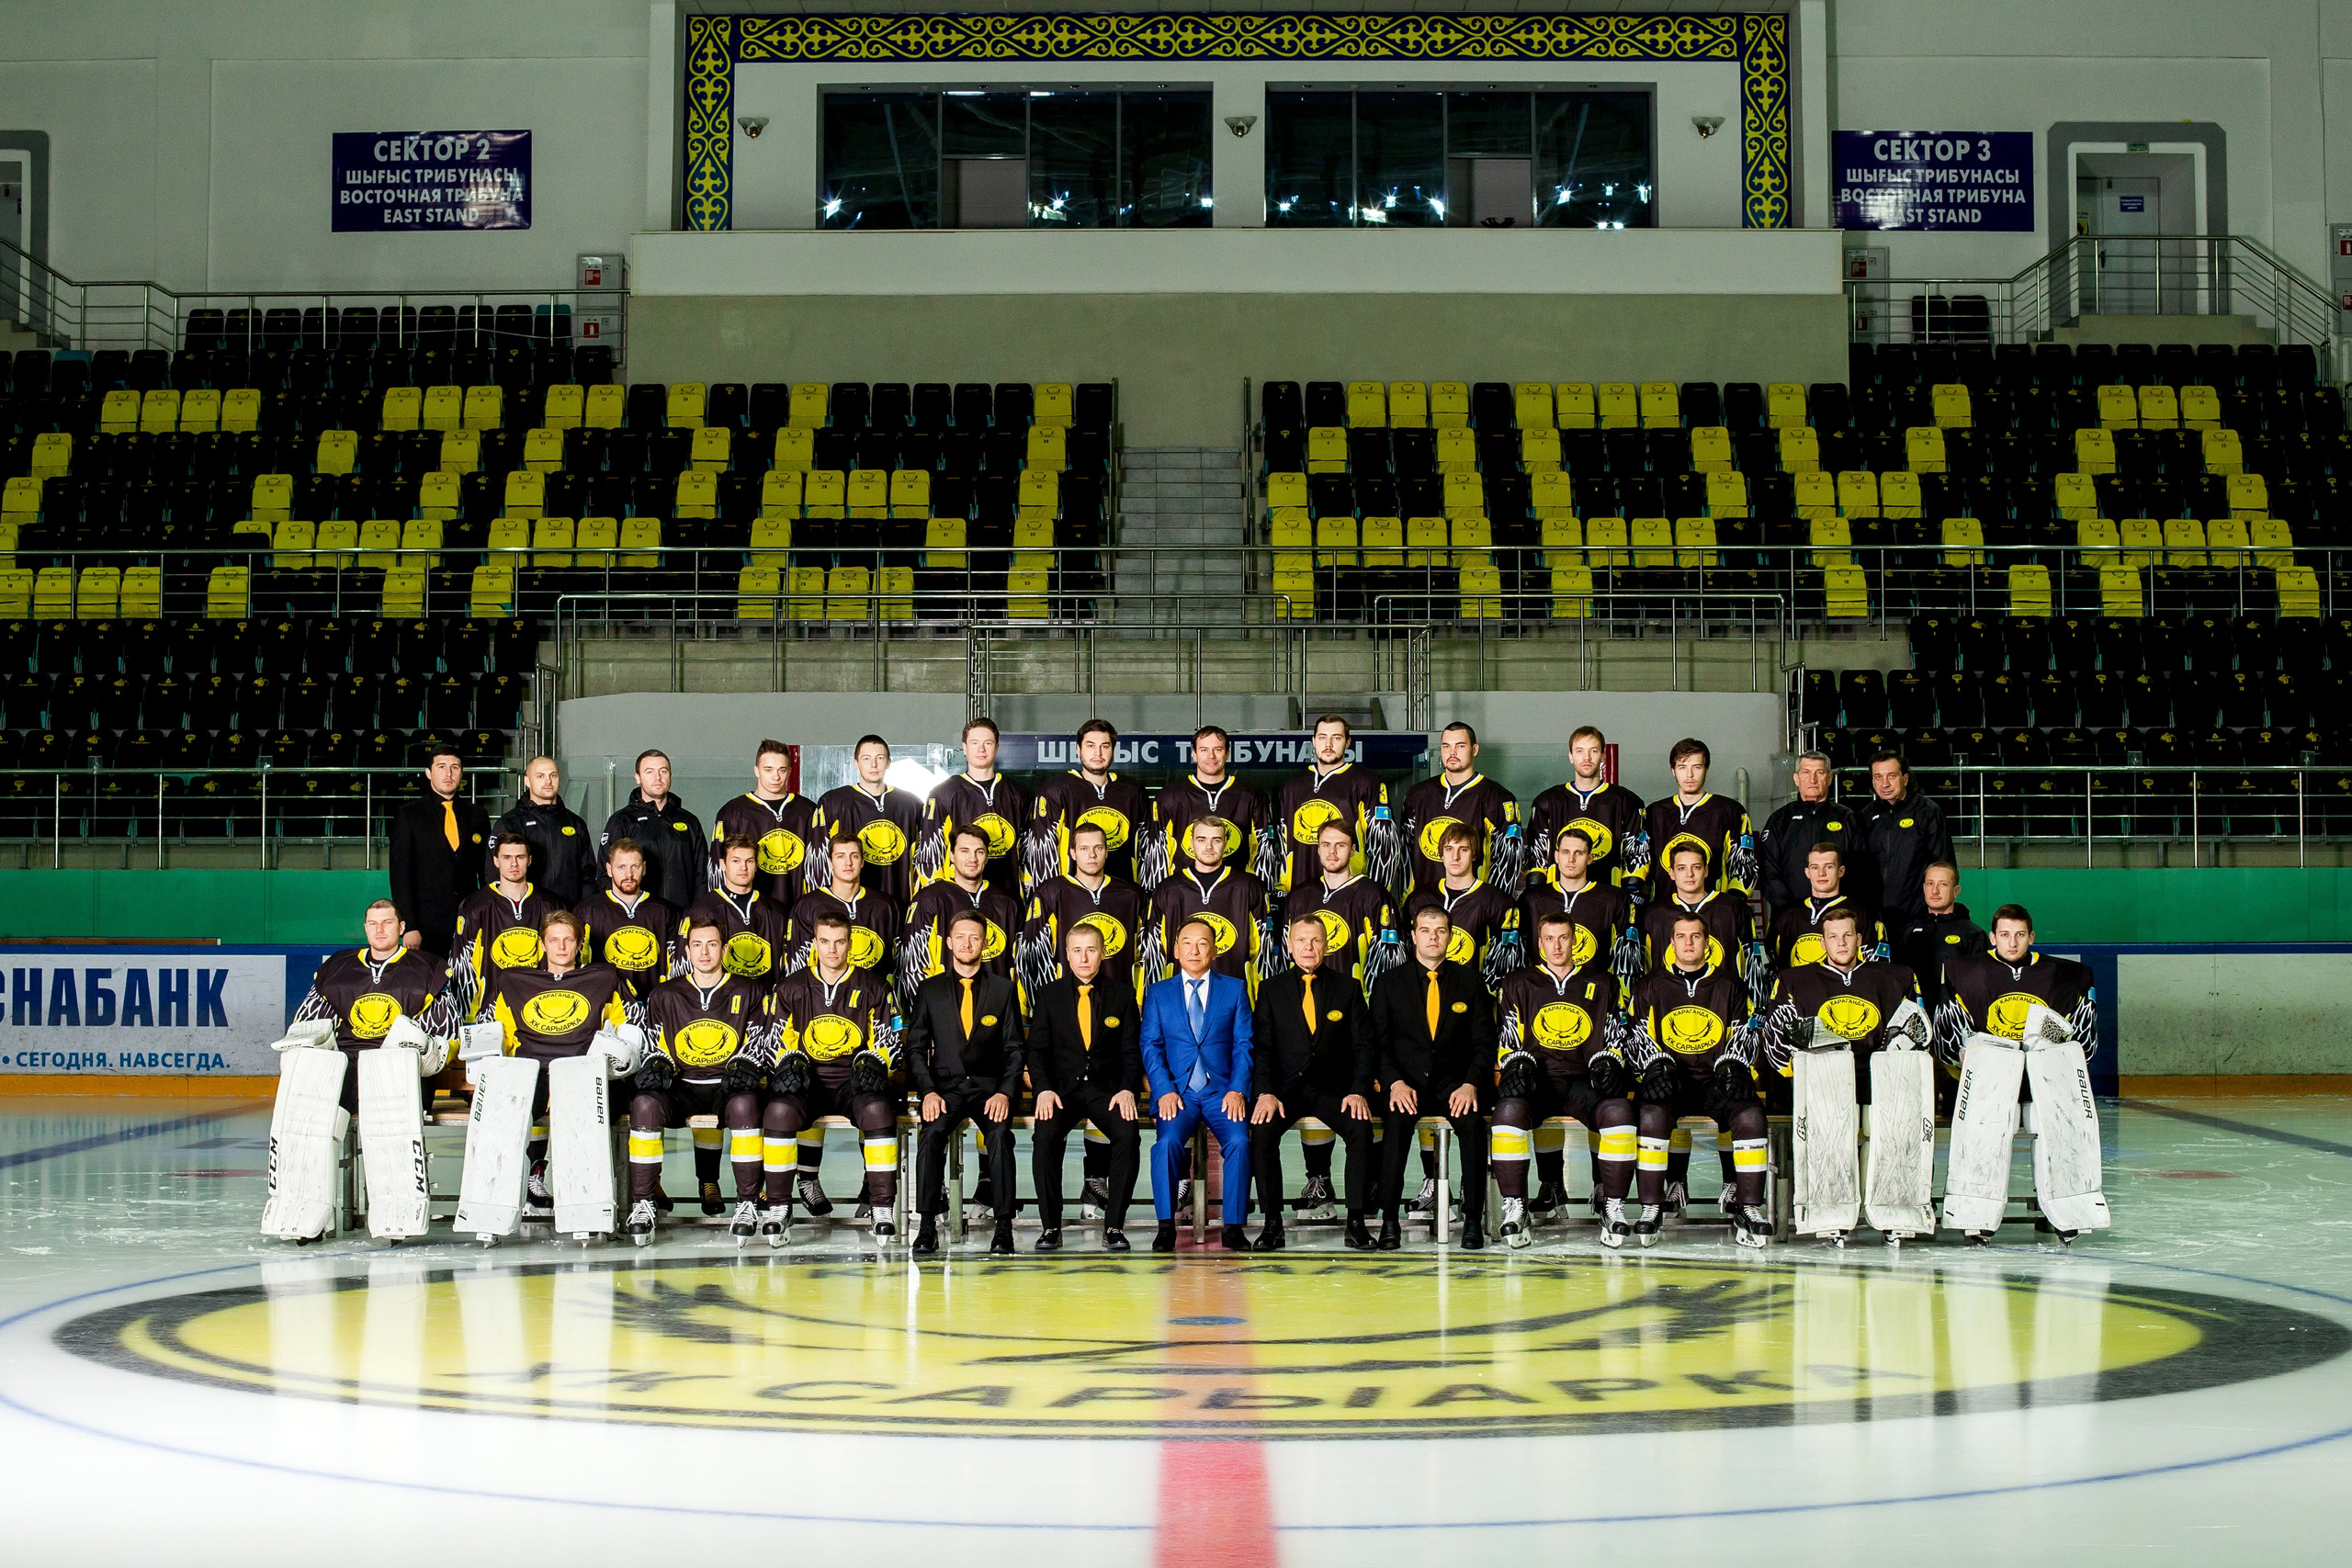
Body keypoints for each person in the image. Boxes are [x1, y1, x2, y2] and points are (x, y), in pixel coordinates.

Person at [1932, 904, 2103, 1245]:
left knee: (2052, 1128)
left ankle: (2066, 1210)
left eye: (2020, 935)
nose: (2012, 942)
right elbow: (1949, 1039)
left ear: (2031, 937)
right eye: (2005, 935)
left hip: (2041, 1084)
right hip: (1990, 1082)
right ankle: (1977, 1214)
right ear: (1992, 937)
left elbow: (2082, 1043)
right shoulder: (1963, 972)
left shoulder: (2067, 975)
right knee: (1989, 1130)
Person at [472, 908, 643, 1218]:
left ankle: (586, 1193)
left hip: (583, 1070)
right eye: (554, 940)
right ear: (542, 944)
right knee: (513, 1104)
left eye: (568, 940)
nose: (561, 947)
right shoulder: (515, 981)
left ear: (579, 944)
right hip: (533, 1069)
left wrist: (622, 1054)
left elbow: (628, 1027)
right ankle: (507, 1191)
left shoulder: (603, 978)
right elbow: (500, 1032)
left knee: (593, 1106)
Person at [1623, 909, 1769, 1248]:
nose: (1688, 943)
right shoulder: (1649, 985)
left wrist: (1734, 1063)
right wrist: (1654, 1064)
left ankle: (1748, 1206)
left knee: (1749, 1115)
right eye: (1681, 937)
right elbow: (1635, 1035)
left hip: (1715, 1080)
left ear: (1707, 942)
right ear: (1672, 944)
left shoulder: (1730, 985)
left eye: (1696, 936)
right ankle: (1651, 1207)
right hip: (1670, 1081)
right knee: (1651, 1116)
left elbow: (1744, 1032)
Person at [626, 917, 775, 1243]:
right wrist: (657, 1063)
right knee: (645, 1104)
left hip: (727, 1084)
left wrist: (746, 1064)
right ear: (687, 951)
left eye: (711, 944)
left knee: (746, 1105)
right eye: (697, 945)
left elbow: (759, 1042)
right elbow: (654, 1045)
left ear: (724, 949)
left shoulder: (749, 991)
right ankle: (643, 1203)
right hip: (684, 1085)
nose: (704, 952)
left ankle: (747, 1203)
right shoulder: (665, 994)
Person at [762, 911, 903, 1243]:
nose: (832, 950)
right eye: (825, 941)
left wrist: (876, 1061)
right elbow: (772, 1040)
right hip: (807, 1080)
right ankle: (779, 1207)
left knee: (878, 1110)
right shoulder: (791, 987)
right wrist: (788, 1061)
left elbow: (891, 1040)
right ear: (814, 943)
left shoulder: (875, 986)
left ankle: (882, 1206)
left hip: (853, 1081)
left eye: (839, 942)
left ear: (850, 944)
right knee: (779, 1111)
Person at [1492, 910, 1625, 1248]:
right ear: (1540, 944)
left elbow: (1616, 1036)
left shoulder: (1604, 982)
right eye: (1549, 939)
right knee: (1507, 1113)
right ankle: (1515, 1206)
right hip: (1538, 1080)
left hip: (1583, 1081)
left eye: (1563, 938)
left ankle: (1612, 1204)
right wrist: (1513, 1063)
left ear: (1574, 940)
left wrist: (1610, 1061)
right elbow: (1508, 1037)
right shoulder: (1518, 982)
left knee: (1619, 1113)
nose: (1557, 946)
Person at [1371, 905, 1497, 1250]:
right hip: (1406, 1083)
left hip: (1454, 1084)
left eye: (1440, 931)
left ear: (1450, 937)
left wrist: (1470, 1084)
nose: (1433, 937)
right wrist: (1394, 1082)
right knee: (1395, 1124)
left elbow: (1485, 1043)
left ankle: (1473, 1220)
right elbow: (1377, 1044)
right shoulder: (1389, 983)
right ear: (1413, 936)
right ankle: (1389, 1221)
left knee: (1472, 1123)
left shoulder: (1471, 982)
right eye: (1425, 930)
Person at [1249, 914, 1377, 1251]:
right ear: (1290, 946)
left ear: (1326, 945)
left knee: (1360, 1128)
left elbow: (1364, 1046)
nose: (1308, 947)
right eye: (1301, 941)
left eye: (1316, 940)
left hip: (1333, 1091)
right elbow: (1262, 1049)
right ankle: (1272, 1223)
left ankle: (1356, 1222)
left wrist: (1358, 1090)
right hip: (1285, 1092)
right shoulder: (1271, 989)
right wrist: (1265, 1093)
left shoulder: (1348, 988)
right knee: (1262, 1131)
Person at [903, 910, 1026, 1256]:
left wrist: (1005, 1093)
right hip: (946, 1090)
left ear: (985, 943)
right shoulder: (930, 989)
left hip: (990, 1090)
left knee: (1000, 1137)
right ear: (949, 942)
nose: (967, 944)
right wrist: (928, 1091)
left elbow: (1015, 1049)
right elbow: (915, 1048)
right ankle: (927, 1226)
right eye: (960, 937)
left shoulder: (1003, 989)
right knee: (930, 1135)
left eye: (974, 937)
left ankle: (1004, 1227)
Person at [1140, 919, 1255, 1251]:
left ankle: (1233, 1226)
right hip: (1179, 1093)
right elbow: (1151, 1046)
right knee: (1166, 1144)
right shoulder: (1158, 993)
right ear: (1175, 950)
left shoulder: (1234, 989)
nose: (1194, 950)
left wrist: (1237, 1089)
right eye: (1187, 943)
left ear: (1214, 951)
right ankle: (1166, 1226)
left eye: (1202, 943)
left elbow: (1244, 1045)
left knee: (1239, 1142)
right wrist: (1163, 1089)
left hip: (1222, 1092)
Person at [1027, 923, 1142, 1251]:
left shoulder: (1122, 995)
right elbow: (1037, 1051)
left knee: (1128, 1136)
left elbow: (1131, 1051)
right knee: (1044, 1137)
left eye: (1091, 950)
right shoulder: (1049, 995)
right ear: (1067, 955)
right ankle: (1051, 1227)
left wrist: (1127, 1089)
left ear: (1102, 953)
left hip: (1107, 1092)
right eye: (1077, 951)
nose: (1084, 958)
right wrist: (1043, 1089)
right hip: (1061, 1092)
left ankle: (1114, 1226)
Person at [285, 897, 459, 1113]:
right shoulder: (338, 968)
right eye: (373, 924)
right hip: (348, 1066)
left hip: (400, 1064)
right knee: (311, 1094)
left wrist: (425, 1052)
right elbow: (307, 1025)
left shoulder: (428, 969)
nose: (379, 930)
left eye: (387, 923)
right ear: (366, 928)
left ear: (401, 928)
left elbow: (447, 1034)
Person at [1759, 906, 1924, 1118]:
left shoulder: (1895, 979)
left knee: (1884, 1123)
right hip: (1822, 1078)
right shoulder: (1794, 981)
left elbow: (1918, 1031)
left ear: (1859, 939)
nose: (1841, 943)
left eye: (1848, 935)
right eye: (1833, 936)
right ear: (1823, 942)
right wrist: (1801, 1070)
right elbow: (1775, 1034)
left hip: (1881, 1076)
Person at [1015, 819, 1152, 1010]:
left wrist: (1140, 1001)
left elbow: (1146, 954)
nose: (1092, 855)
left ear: (1106, 852)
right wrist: (1038, 1006)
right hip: (1066, 1004)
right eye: (1084, 849)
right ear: (1072, 853)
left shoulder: (1132, 895)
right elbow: (1033, 954)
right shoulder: (1051, 893)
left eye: (1098, 848)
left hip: (1119, 1002)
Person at [1271, 714, 1400, 896]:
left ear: (1347, 742)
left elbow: (1385, 846)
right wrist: (1281, 891)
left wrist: (1374, 895)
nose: (1328, 744)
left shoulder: (1366, 782)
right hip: (1299, 894)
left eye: (1336, 738)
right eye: (1322, 737)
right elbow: (1279, 846)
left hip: (1350, 895)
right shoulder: (1292, 787)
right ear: (1313, 741)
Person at [900, 822, 1023, 1016]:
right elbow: (914, 964)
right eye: (964, 851)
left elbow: (1021, 963)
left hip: (995, 1010)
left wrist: (1017, 1011)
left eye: (979, 852)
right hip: (945, 1011)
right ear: (951, 855)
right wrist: (929, 1015)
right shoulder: (929, 899)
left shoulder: (1008, 902)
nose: (972, 858)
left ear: (987, 856)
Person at [447, 834, 567, 1023]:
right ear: (496, 861)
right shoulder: (474, 906)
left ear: (529, 860)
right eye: (507, 857)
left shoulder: (550, 903)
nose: (514, 864)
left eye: (520, 857)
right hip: (490, 1014)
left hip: (541, 1008)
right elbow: (461, 964)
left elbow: (567, 958)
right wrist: (468, 1018)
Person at [1148, 816, 1272, 995]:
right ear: (1191, 843)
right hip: (1179, 997)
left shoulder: (1249, 886)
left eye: (1216, 840)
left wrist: (1264, 998)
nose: (1209, 847)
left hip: (1234, 995)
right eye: (1201, 840)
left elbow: (1263, 950)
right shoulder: (1168, 889)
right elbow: (1154, 951)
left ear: (1225, 844)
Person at [1143, 724, 1278, 889]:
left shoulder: (1251, 796)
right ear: (1194, 754)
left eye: (1217, 750)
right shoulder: (1170, 796)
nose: (1211, 756)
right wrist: (1157, 894)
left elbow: (1263, 850)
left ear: (1227, 753)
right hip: (1183, 892)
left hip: (1236, 893)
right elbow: (1158, 851)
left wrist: (1262, 893)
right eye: (1204, 750)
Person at [1399, 721, 1523, 898]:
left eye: (1460, 746)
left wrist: (1492, 906)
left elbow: (1507, 862)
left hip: (1474, 905)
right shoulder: (1418, 795)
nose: (1452, 753)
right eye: (1446, 746)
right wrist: (1407, 903)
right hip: (1425, 904)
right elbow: (1405, 856)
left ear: (1475, 750)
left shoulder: (1497, 798)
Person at [1025, 717, 1152, 889]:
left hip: (1124, 894)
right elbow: (1042, 852)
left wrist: (1145, 894)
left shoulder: (1133, 791)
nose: (1098, 753)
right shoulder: (1056, 790)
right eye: (1090, 746)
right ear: (1078, 749)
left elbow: (1147, 850)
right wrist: (1052, 896)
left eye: (1105, 746)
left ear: (1113, 750)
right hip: (1072, 895)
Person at [1523, 725, 1649, 897]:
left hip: (1608, 899)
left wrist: (1629, 898)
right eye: (1580, 751)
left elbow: (1635, 863)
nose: (1587, 758)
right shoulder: (1548, 801)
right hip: (1558, 900)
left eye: (1594, 751)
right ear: (1570, 756)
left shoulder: (1626, 801)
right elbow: (1536, 863)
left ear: (1603, 755)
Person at [388, 744, 488, 957]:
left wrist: (489, 917)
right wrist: (409, 926)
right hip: (425, 927)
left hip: (470, 923)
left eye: (455, 767)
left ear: (461, 773)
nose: (448, 774)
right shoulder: (409, 815)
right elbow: (400, 877)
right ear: (428, 773)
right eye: (441, 767)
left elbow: (486, 871)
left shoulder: (478, 815)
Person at [912, 716, 1028, 897]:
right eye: (974, 743)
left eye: (988, 743)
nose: (981, 749)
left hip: (1007, 899)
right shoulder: (943, 794)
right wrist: (939, 900)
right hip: (958, 899)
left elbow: (1029, 854)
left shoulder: (1019, 794)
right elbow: (930, 855)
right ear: (965, 748)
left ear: (997, 747)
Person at [1401, 821, 1521, 987]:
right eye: (1449, 849)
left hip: (1473, 995)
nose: (1455, 857)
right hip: (1423, 992)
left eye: (1463, 849)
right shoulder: (1419, 899)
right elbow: (1407, 956)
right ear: (1441, 854)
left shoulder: (1498, 902)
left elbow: (1505, 964)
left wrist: (1482, 995)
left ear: (1474, 854)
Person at [810, 734, 926, 908]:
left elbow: (924, 859)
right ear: (856, 763)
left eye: (880, 758)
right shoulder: (833, 802)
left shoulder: (911, 804)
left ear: (888, 762)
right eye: (866, 758)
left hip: (899, 902)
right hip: (847, 905)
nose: (874, 765)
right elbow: (818, 860)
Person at [1757, 750, 1869, 921]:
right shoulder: (1779, 820)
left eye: (1820, 773)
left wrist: (1841, 908)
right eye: (1806, 772)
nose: (1813, 780)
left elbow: (1859, 870)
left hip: (1838, 919)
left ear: (1829, 778)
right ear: (1796, 779)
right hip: (1789, 917)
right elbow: (1767, 871)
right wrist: (1791, 911)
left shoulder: (1847, 818)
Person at [1643, 738, 1757, 905]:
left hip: (1712, 910)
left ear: (1706, 769)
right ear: (1673, 770)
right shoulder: (1654, 813)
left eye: (1697, 767)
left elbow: (1744, 863)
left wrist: (1731, 906)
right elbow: (1642, 864)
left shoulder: (1729, 811)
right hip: (1664, 911)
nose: (1689, 775)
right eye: (1682, 767)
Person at [708, 739, 820, 904]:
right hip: (751, 910)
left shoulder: (807, 810)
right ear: (757, 771)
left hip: (798, 908)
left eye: (782, 770)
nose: (776, 777)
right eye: (768, 770)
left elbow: (819, 867)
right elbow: (718, 868)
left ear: (789, 771)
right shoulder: (733, 811)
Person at [1638, 841, 1761, 985]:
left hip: (1723, 996)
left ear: (1706, 870)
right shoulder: (1654, 914)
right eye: (1682, 868)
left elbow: (1752, 963)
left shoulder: (1734, 909)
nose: (1689, 874)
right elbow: (1642, 967)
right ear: (1672, 873)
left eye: (1696, 867)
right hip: (1667, 996)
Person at [599, 749, 707, 911]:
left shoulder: (689, 821)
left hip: (682, 915)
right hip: (639, 916)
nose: (658, 778)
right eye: (649, 772)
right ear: (637, 778)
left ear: (670, 775)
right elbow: (604, 874)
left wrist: (698, 913)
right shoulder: (621, 821)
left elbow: (702, 875)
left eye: (663, 771)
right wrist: (620, 914)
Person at [574, 838, 679, 1003]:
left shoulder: (664, 911)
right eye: (621, 867)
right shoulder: (587, 910)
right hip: (606, 1005)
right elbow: (577, 966)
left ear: (644, 868)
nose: (629, 874)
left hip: (654, 1005)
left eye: (635, 866)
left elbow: (677, 967)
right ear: (609, 869)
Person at [1858, 750, 1953, 931]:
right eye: (1878, 777)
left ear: (1905, 778)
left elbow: (1944, 866)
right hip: (1875, 920)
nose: (1885, 783)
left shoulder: (1928, 812)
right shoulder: (1865, 817)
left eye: (1892, 776)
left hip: (1918, 918)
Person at [684, 838, 795, 987]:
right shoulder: (701, 909)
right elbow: (685, 967)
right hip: (721, 999)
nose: (744, 867)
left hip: (766, 996)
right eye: (736, 861)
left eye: (749, 861)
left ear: (756, 865)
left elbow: (790, 966)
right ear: (723, 864)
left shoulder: (776, 911)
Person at [784, 834, 897, 981]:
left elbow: (898, 960)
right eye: (840, 856)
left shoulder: (885, 905)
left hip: (873, 992)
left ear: (862, 861)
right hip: (824, 993)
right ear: (830, 862)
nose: (848, 863)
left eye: (854, 856)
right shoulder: (808, 905)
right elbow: (797, 965)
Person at [490, 755, 597, 908]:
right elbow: (495, 874)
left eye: (553, 775)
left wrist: (584, 911)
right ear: (527, 781)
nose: (548, 781)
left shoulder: (576, 823)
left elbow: (588, 874)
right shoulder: (510, 823)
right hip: (528, 913)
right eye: (540, 776)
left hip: (568, 914)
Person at [1764, 842, 1887, 975]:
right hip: (1796, 987)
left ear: (1841, 871)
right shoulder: (1785, 914)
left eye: (1829, 867)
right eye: (1815, 867)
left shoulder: (1864, 914)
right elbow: (1773, 967)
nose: (1821, 873)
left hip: (1845, 987)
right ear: (1807, 872)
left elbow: (1876, 970)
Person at [1893, 860, 1988, 1016]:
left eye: (1943, 884)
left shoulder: (1973, 934)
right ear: (1924, 888)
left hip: (1955, 1019)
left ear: (1956, 891)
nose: (1935, 891)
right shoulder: (1906, 932)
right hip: (1914, 1017)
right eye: (1930, 884)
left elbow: (1979, 986)